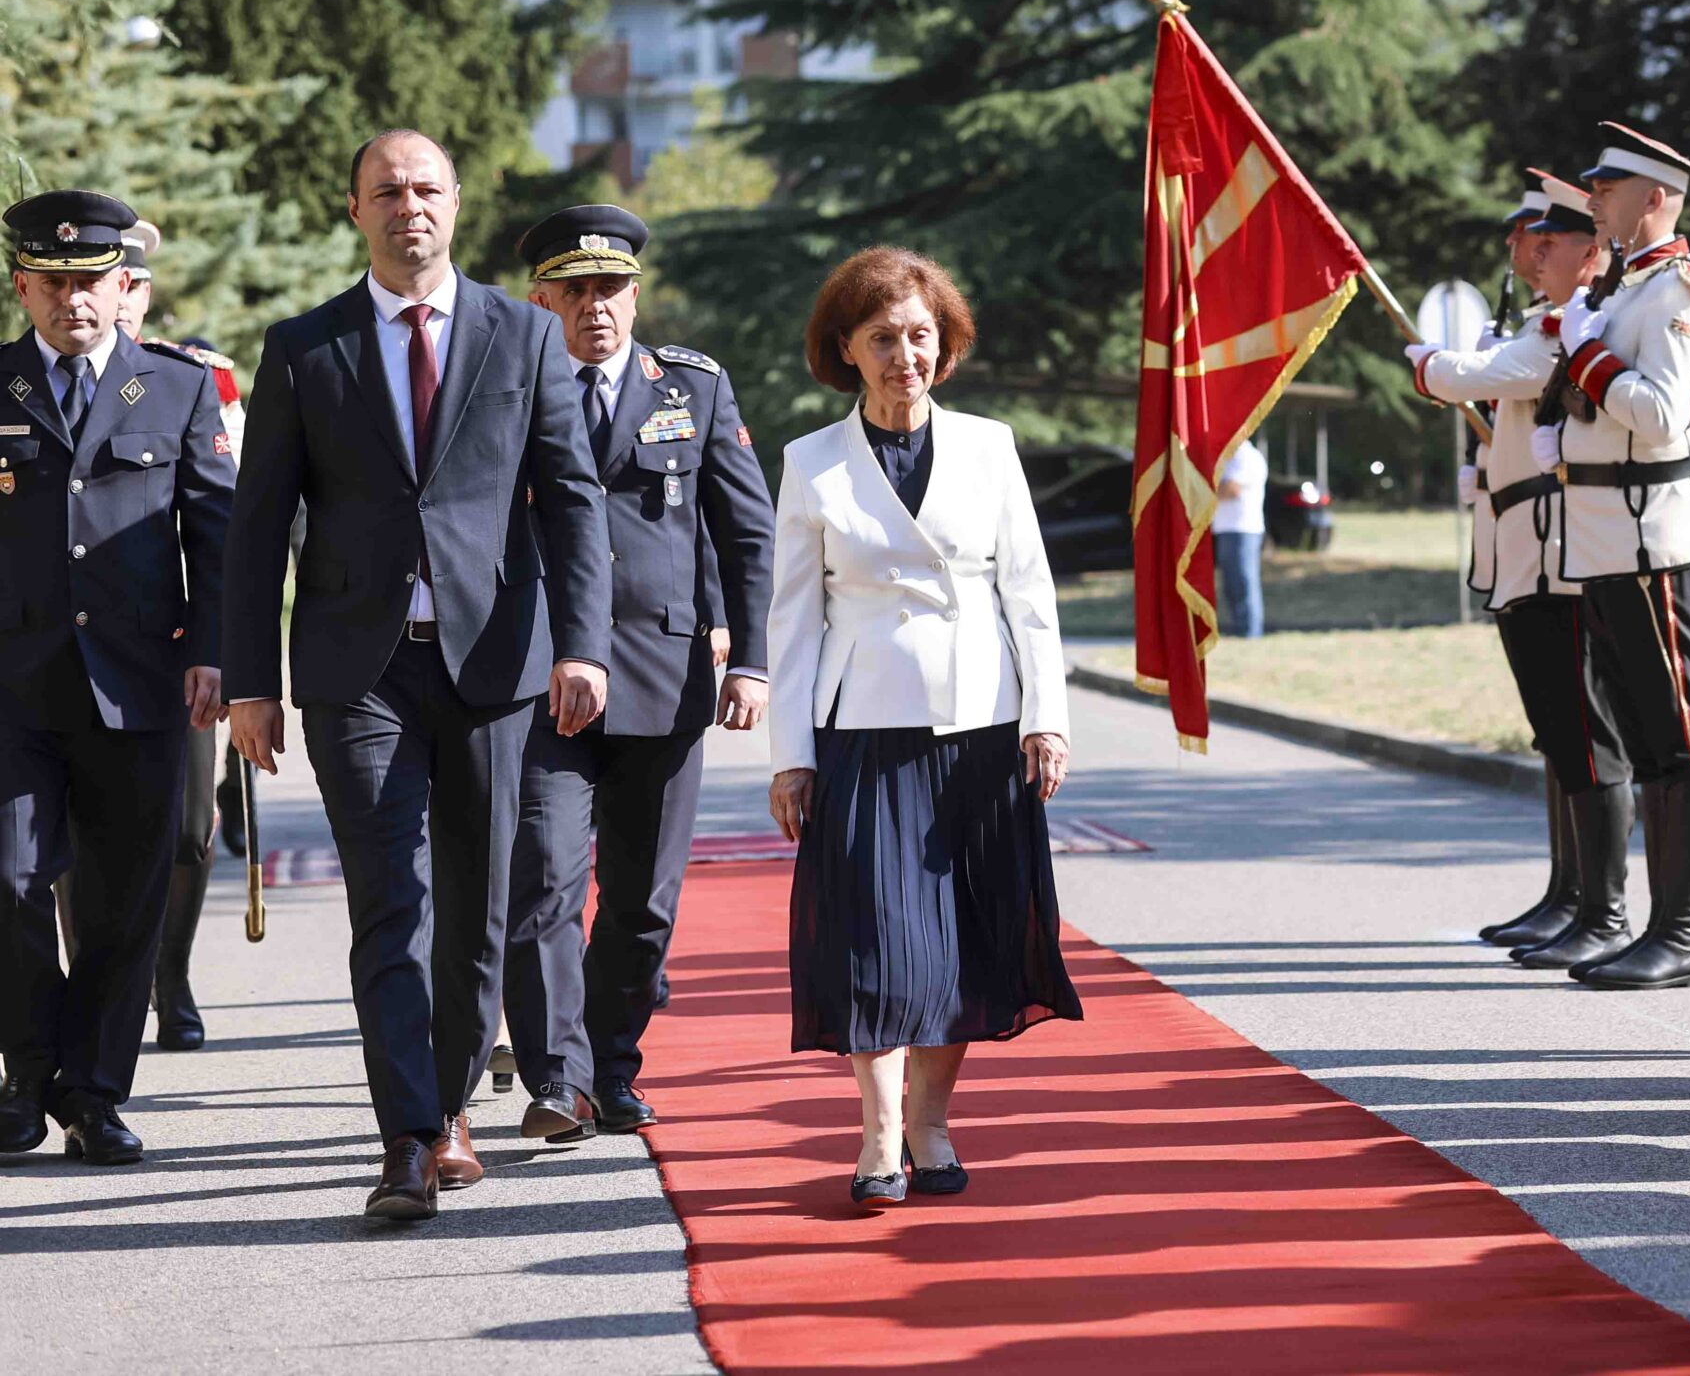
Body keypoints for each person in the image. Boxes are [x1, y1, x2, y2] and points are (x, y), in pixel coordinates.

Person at [223, 129, 613, 1223]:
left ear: (457, 201)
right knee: (391, 905)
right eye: (387, 191)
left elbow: (571, 500)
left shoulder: (522, 338)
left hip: (494, 666)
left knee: (478, 912)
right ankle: (406, 1139)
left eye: (427, 187)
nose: (410, 206)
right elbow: (258, 528)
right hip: (360, 671)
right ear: (356, 210)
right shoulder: (305, 347)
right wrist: (252, 679)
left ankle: (448, 1108)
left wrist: (581, 644)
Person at [766, 246, 1078, 1208]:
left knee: (963, 943)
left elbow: (1029, 591)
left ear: (943, 347)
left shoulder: (991, 446)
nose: (905, 354)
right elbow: (792, 619)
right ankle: (878, 1133)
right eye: (883, 338)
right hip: (864, 731)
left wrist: (1049, 717)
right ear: (846, 350)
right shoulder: (811, 462)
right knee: (874, 940)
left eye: (920, 337)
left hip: (983, 728)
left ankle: (932, 1122)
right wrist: (790, 756)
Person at [501, 205, 775, 1142]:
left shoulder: (691, 388)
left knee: (643, 904)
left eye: (610, 289)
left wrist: (755, 659)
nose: (595, 308)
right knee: (541, 878)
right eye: (573, 290)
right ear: (541, 299)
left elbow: (747, 530)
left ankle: (613, 1063)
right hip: (539, 680)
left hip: (665, 677)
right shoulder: (506, 385)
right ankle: (558, 1077)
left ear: (635, 293)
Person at [0, 192, 232, 1163]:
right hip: (12, 688)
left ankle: (93, 1095)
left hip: (140, 683)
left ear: (121, 283)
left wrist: (221, 653)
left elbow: (218, 537)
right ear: (23, 284)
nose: (73, 300)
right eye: (52, 283)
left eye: (91, 281)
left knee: (125, 900)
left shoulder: (175, 388)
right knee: (10, 882)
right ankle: (27, 1075)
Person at [1527, 122, 1690, 992]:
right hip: (1609, 533)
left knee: (1682, 741)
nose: (1598, 204)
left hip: (1655, 537)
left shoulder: (1682, 290)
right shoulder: (1625, 291)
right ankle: (1657, 925)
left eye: (1610, 191)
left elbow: (1662, 414)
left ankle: (1682, 932)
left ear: (1655, 197)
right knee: (1650, 742)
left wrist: (1582, 353)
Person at [1407, 173, 1634, 965]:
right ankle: (1571, 894)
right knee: (1559, 735)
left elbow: (1506, 376)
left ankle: (1601, 908)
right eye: (1530, 239)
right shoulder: (1543, 321)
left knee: (1586, 733)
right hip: (1524, 553)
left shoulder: (1583, 322)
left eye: (1550, 238)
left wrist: (1433, 365)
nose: (1532, 251)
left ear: (1594, 251)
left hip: (1560, 557)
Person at [106, 220, 248, 1054]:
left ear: (142, 293)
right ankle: (107, 988)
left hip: (175, 647)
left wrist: (231, 648)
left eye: (126, 285)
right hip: (72, 653)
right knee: (81, 845)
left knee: (192, 826)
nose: (109, 299)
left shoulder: (191, 381)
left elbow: (226, 520)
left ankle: (173, 973)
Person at [1213, 436, 1267, 639]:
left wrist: (1203, 493)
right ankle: (1240, 628)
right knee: (1232, 584)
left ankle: (1250, 631)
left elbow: (1231, 489)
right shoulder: (1229, 457)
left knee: (1244, 581)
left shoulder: (1245, 456)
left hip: (1243, 528)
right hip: (1227, 528)